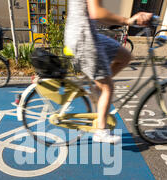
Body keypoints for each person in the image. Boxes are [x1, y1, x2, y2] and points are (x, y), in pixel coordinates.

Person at [65, 0, 153, 143]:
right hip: (84, 38)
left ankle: (97, 86)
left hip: (89, 35)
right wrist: (128, 20)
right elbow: (96, 12)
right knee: (108, 87)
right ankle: (101, 132)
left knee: (126, 57)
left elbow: (93, 13)